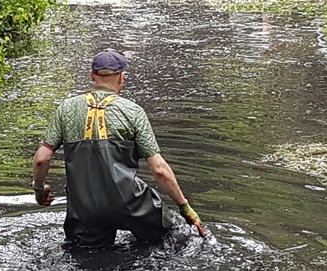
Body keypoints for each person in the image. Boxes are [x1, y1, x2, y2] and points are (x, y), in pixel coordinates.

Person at [32, 49, 205, 248]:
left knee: (88, 261)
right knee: (176, 236)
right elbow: (159, 170)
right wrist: (185, 206)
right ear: (122, 77)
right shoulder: (133, 112)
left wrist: (39, 190)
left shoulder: (66, 108)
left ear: (92, 76)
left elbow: (41, 159)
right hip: (132, 204)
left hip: (85, 209)